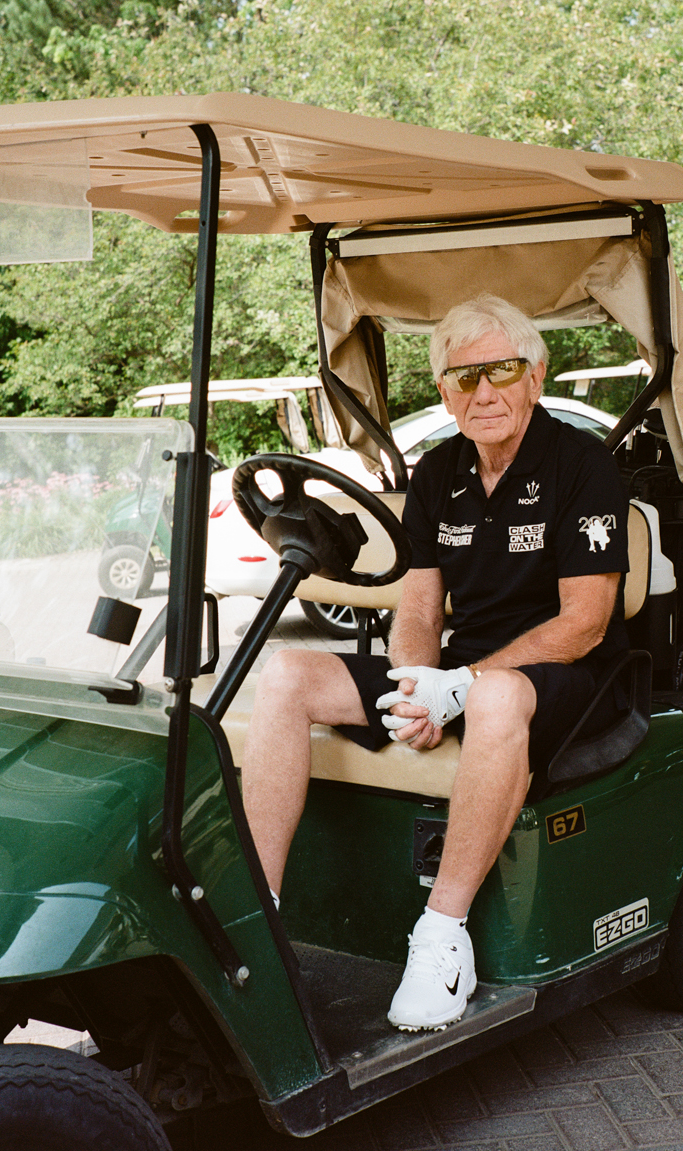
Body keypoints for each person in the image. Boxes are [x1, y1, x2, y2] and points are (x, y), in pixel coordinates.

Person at [242, 294, 629, 1031]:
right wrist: (418, 686)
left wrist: (462, 685)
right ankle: (257, 921)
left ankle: (442, 937)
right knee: (288, 674)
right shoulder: (438, 472)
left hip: (570, 678)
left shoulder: (583, 464)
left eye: (501, 371)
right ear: (444, 393)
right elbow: (419, 610)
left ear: (536, 376)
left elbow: (584, 623)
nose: (484, 393)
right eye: (463, 377)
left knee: (495, 698)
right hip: (461, 672)